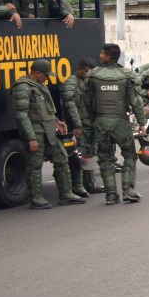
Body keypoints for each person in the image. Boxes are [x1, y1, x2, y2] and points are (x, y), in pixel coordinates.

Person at [83, 42, 149, 204]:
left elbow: (87, 101)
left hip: (100, 121)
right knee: (129, 154)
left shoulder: (93, 75)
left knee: (105, 157)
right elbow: (136, 102)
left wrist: (92, 121)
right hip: (120, 122)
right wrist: (142, 123)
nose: (99, 56)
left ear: (108, 56)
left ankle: (111, 195)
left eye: (101, 53)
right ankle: (129, 190)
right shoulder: (127, 75)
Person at [13, 58, 84, 208]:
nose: (47, 78)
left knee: (62, 158)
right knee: (35, 164)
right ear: (37, 73)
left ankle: (66, 194)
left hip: (49, 130)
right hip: (36, 132)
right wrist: (31, 138)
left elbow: (45, 110)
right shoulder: (23, 87)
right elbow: (21, 115)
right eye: (45, 75)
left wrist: (56, 121)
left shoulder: (39, 85)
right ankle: (36, 198)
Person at [57, 57, 92, 199]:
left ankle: (89, 183)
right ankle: (78, 185)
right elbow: (70, 106)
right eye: (85, 71)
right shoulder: (71, 83)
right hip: (77, 125)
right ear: (79, 69)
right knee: (78, 155)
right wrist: (77, 125)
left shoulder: (88, 81)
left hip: (89, 123)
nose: (87, 74)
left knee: (88, 154)